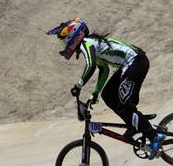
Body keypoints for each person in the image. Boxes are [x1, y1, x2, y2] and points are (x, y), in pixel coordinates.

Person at [46, 17, 164, 159]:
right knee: (107, 94)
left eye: (64, 39)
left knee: (125, 104)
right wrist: (95, 93)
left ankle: (154, 137)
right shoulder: (92, 44)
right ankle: (133, 125)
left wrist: (78, 85)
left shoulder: (86, 43)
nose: (64, 43)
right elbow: (104, 70)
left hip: (135, 62)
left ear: (73, 36)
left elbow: (91, 66)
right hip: (129, 64)